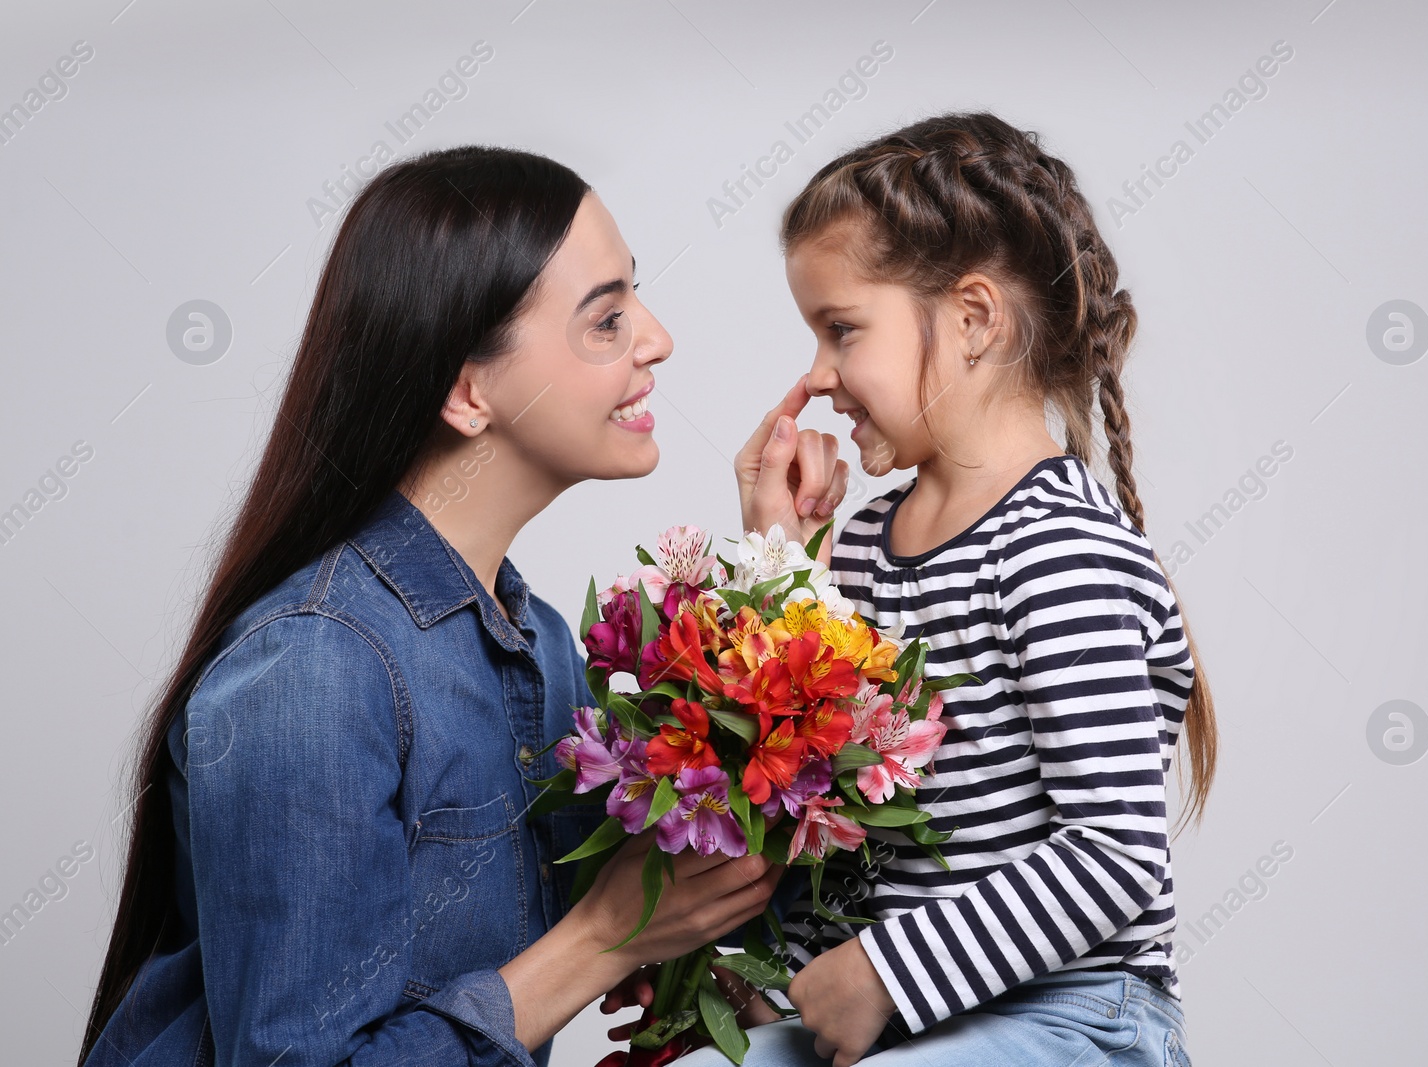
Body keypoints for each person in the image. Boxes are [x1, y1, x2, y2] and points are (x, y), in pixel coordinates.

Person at [77, 145, 843, 1067]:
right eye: (605, 320)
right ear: (468, 391)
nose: (657, 337)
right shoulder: (315, 666)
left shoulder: (545, 646)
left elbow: (713, 859)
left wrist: (778, 568)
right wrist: (605, 938)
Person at [671, 112, 1219, 1066]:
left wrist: (883, 972)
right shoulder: (870, 546)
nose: (819, 375)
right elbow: (826, 811)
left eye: (841, 330)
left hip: (1070, 1019)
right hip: (913, 1019)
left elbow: (1117, 853)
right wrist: (778, 566)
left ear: (971, 319)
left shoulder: (1060, 549)